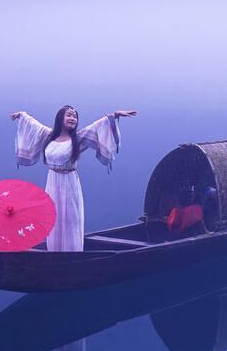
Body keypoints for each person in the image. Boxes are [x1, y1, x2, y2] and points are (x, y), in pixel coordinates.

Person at [10, 106, 137, 252]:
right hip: (52, 181)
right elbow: (33, 125)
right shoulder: (48, 136)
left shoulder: (77, 138)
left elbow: (98, 125)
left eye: (75, 117)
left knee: (71, 219)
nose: (73, 119)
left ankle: (72, 252)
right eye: (69, 115)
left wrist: (114, 115)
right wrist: (21, 115)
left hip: (69, 182)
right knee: (53, 216)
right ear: (60, 118)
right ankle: (54, 251)